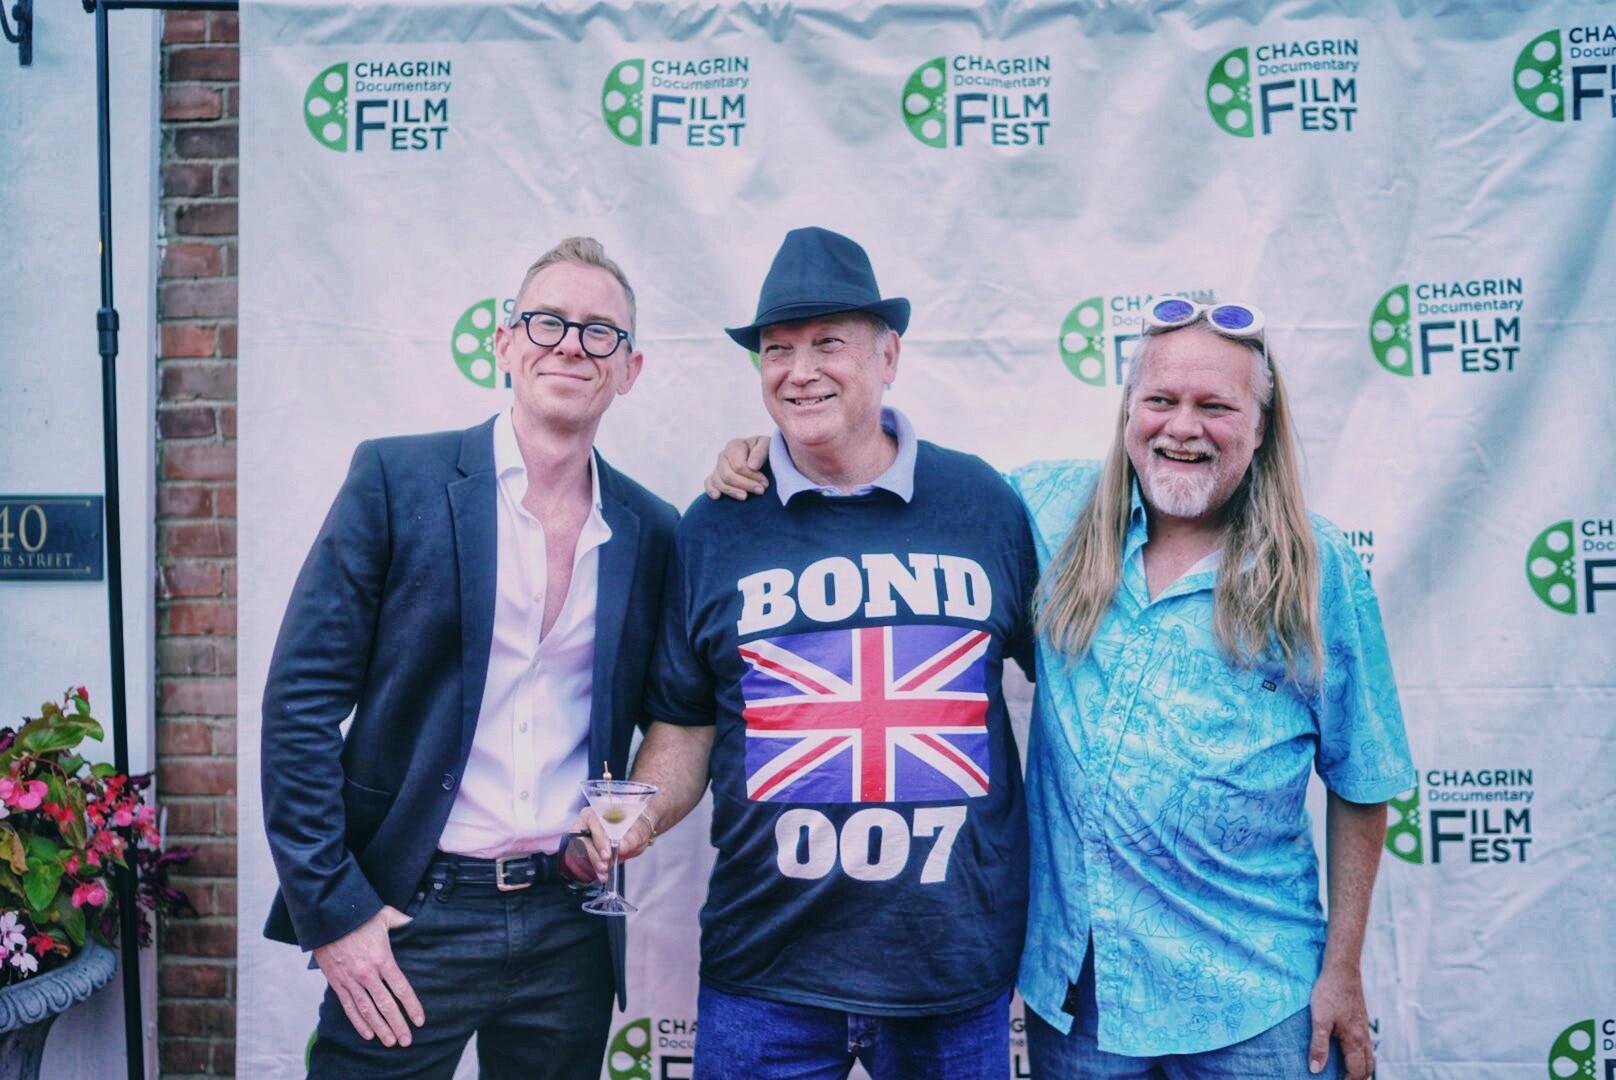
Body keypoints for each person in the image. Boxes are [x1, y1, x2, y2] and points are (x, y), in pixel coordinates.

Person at [707, 298, 1413, 1080]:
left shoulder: (1320, 569)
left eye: (1216, 407)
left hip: (1255, 997)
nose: (1182, 428)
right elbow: (895, 492)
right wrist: (782, 451)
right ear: (1128, 411)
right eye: (1161, 400)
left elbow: (1364, 778)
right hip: (1083, 999)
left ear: (1261, 427)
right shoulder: (1043, 514)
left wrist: (1342, 968)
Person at [601, 227, 1038, 1079]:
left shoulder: (982, 503)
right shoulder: (718, 524)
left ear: (888, 355)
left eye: (828, 343)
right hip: (765, 974)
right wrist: (638, 820)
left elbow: (1068, 681)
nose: (799, 370)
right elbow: (686, 726)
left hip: (950, 973)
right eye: (778, 349)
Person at [261, 236, 678, 1078]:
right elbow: (299, 705)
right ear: (504, 341)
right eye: (548, 321)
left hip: (569, 924)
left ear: (629, 369)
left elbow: (676, 714)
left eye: (600, 332)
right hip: (413, 912)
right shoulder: (396, 479)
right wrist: (334, 910)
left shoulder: (654, 529)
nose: (572, 345)